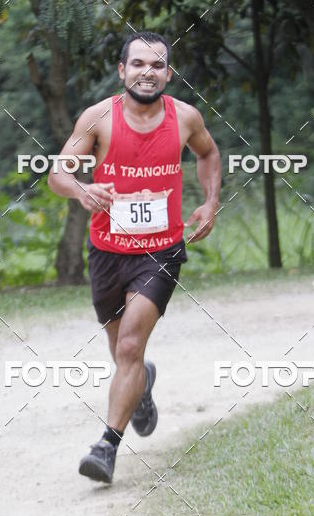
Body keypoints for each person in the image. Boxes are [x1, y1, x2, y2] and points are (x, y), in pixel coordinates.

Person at [47, 31, 221, 483]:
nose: (148, 71)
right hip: (107, 250)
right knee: (120, 349)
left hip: (161, 250)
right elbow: (58, 174)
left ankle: (106, 447)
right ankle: (141, 384)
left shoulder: (184, 118)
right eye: (138, 63)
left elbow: (209, 154)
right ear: (123, 70)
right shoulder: (99, 117)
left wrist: (210, 201)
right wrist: (83, 188)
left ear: (168, 73)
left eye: (157, 64)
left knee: (128, 344)